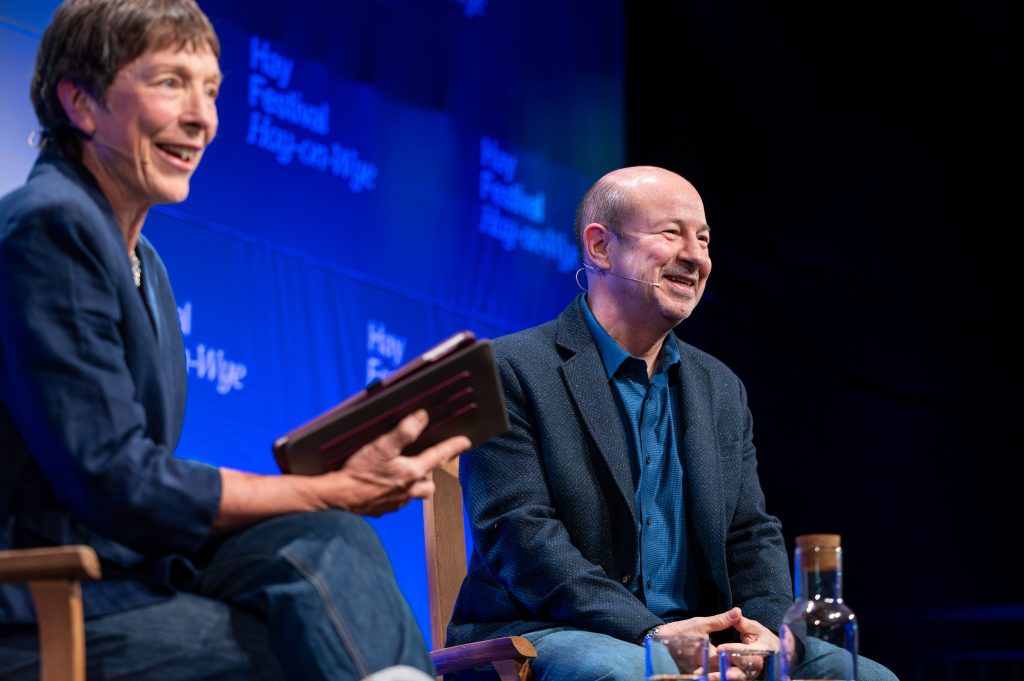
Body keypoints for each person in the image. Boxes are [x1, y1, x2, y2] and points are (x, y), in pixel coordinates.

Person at [0, 1, 469, 679]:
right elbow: (118, 480)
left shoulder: (146, 264)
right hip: (44, 601)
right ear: (80, 102)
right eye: (170, 83)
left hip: (130, 575)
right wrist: (332, 486)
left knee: (331, 541)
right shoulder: (49, 226)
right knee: (294, 645)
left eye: (212, 90)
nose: (203, 117)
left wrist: (332, 496)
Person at [446, 166, 898, 681]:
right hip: (546, 629)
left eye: (704, 239)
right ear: (600, 247)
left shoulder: (719, 386)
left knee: (867, 677)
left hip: (708, 636)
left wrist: (768, 629)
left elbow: (749, 534)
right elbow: (521, 538)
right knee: (625, 674)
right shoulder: (508, 370)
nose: (696, 256)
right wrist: (651, 633)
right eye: (672, 233)